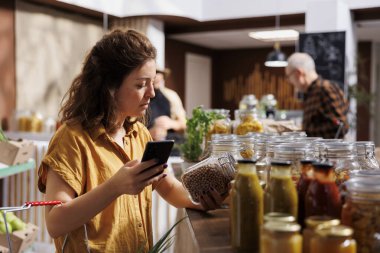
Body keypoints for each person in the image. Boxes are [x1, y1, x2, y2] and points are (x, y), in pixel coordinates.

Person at [37, 29, 225, 253]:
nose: (152, 94)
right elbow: (55, 223)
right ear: (109, 88)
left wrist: (199, 201)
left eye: (153, 83)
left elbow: (168, 187)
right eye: (140, 85)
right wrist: (115, 187)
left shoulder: (140, 133)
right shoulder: (71, 138)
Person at [286, 52, 349, 138]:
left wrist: (305, 132)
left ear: (298, 73)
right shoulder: (311, 92)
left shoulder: (325, 89)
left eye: (289, 76)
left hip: (327, 151)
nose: (290, 81)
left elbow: (340, 127)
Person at [148, 68, 186, 142]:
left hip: (169, 140)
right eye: (156, 72)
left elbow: (183, 124)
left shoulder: (171, 96)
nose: (158, 76)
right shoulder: (141, 96)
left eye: (160, 73)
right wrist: (149, 134)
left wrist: (171, 123)